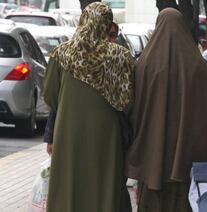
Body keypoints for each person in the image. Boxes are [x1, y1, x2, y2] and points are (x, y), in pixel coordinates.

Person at [126, 8, 207, 212]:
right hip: (188, 150)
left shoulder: (145, 64)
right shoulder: (196, 64)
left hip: (153, 148)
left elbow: (134, 105)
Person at [43, 2, 135, 212]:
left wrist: (70, 107)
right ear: (106, 23)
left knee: (70, 186)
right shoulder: (120, 56)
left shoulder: (61, 54)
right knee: (104, 185)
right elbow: (129, 101)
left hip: (69, 134)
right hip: (107, 137)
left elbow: (50, 96)